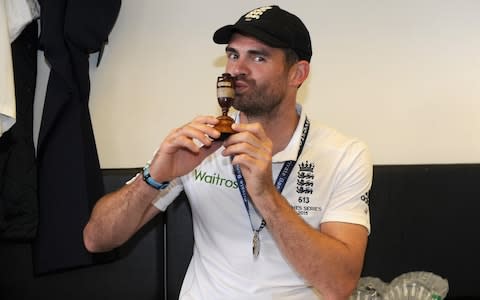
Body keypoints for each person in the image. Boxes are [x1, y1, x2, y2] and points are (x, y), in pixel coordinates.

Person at [83, 5, 373, 300]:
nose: (237, 70)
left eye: (258, 57)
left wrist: (266, 195)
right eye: (233, 55)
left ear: (297, 73)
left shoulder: (343, 154)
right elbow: (96, 239)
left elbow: (340, 285)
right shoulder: (200, 142)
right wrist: (155, 176)